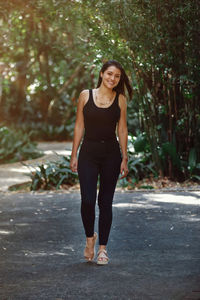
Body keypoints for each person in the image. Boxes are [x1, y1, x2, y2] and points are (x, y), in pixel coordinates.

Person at [70, 60, 133, 265]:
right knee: (87, 200)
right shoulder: (85, 96)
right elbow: (79, 125)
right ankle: (90, 240)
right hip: (88, 152)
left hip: (111, 155)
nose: (112, 79)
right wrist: (74, 154)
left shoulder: (120, 99)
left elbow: (122, 129)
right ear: (101, 74)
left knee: (105, 202)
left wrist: (124, 157)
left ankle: (103, 249)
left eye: (116, 76)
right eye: (109, 74)